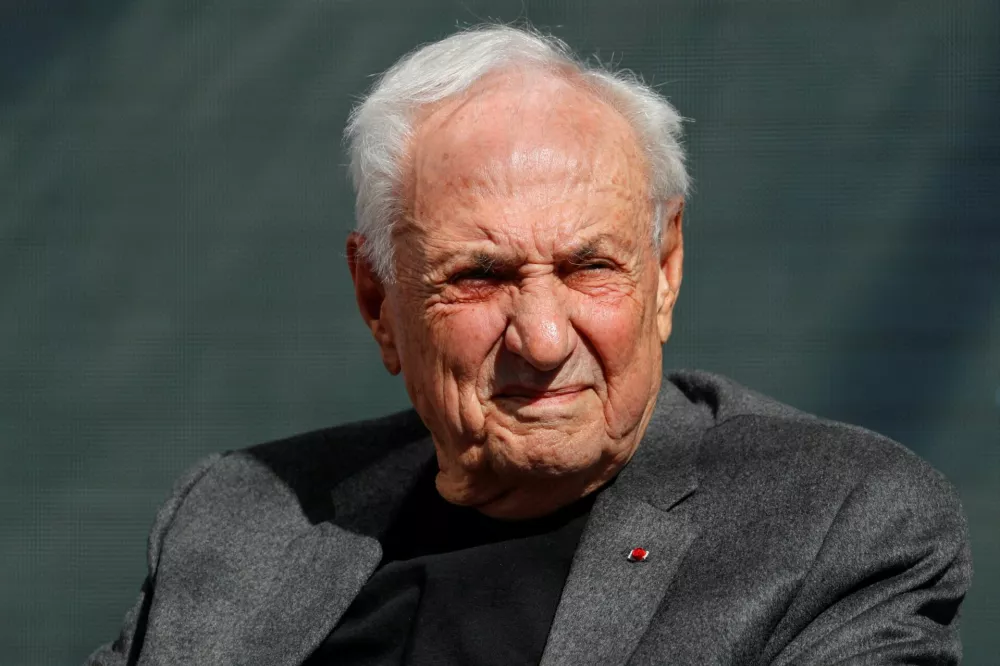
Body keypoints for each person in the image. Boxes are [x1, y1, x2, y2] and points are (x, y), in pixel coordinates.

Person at [86, 25, 971, 666]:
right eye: (479, 277)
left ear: (664, 272)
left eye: (590, 266)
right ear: (377, 300)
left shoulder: (836, 523)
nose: (544, 340)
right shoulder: (238, 519)